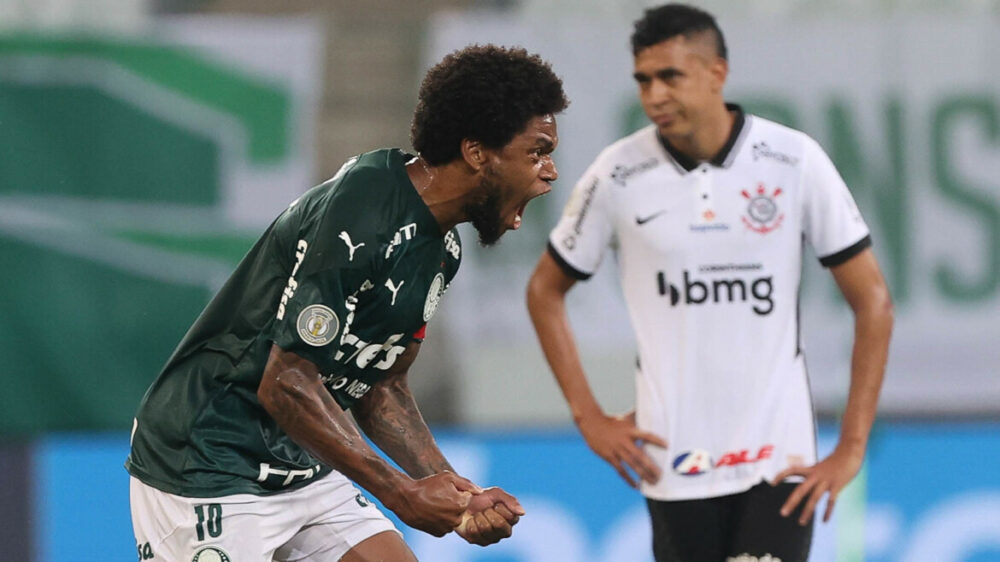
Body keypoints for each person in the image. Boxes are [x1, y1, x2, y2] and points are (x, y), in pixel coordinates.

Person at [126, 44, 568, 562]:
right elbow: (286, 382)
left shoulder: (441, 248)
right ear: (476, 153)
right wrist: (401, 493)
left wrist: (455, 493)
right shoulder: (364, 211)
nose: (550, 172)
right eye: (536, 152)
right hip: (207, 462)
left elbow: (380, 382)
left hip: (300, 462)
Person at [526, 4, 893, 561]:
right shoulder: (618, 172)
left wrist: (851, 447)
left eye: (670, 76)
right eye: (644, 80)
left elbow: (873, 302)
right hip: (674, 459)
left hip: (779, 459)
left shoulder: (792, 160)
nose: (654, 95)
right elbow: (544, 291)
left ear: (717, 72)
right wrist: (589, 417)